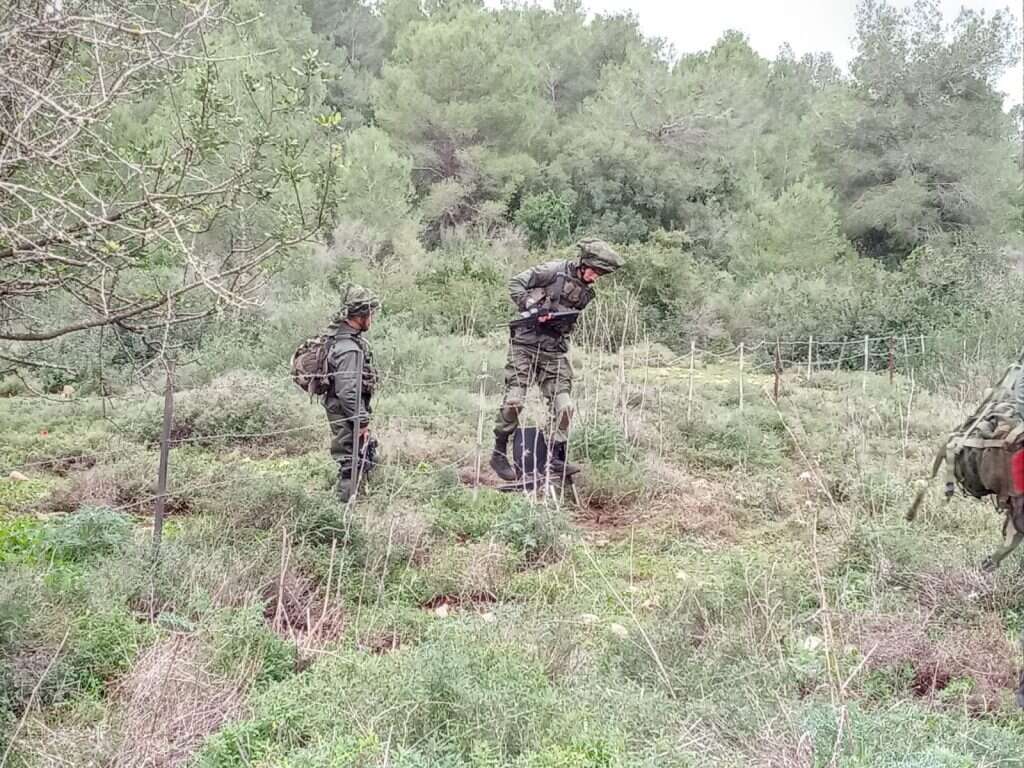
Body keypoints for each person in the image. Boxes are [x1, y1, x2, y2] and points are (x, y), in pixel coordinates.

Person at [489, 238, 624, 481]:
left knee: (565, 408)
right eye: (594, 271)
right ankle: (498, 453)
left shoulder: (586, 292)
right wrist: (532, 305)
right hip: (525, 346)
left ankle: (555, 458)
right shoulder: (553, 270)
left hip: (554, 352)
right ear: (583, 264)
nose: (595, 278)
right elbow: (516, 283)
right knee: (514, 402)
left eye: (600, 275)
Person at [324, 284, 380, 502]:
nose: (372, 319)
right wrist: (362, 421)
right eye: (371, 313)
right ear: (360, 315)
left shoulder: (341, 338)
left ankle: (356, 500)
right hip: (345, 413)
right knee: (350, 463)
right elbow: (348, 391)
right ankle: (343, 515)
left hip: (342, 410)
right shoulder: (349, 348)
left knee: (360, 456)